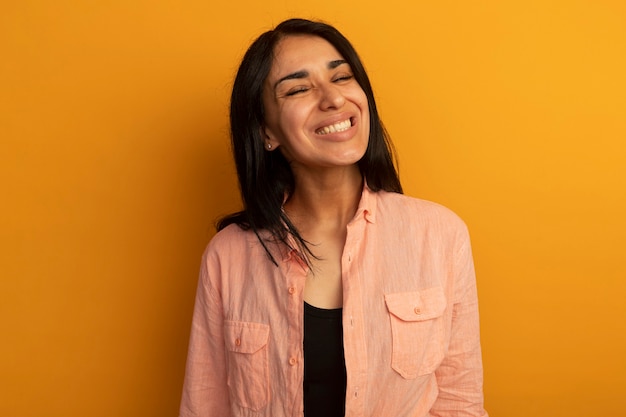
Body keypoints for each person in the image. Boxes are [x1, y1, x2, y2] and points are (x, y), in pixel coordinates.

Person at [180, 18, 488, 417]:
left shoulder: (440, 236)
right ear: (266, 133)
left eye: (342, 77)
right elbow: (205, 407)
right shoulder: (228, 257)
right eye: (298, 88)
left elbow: (459, 404)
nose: (333, 99)